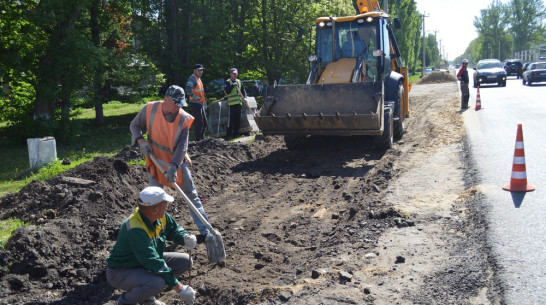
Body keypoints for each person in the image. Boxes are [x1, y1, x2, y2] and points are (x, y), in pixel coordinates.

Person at [130, 85, 211, 241]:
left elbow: (182, 146)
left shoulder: (183, 118)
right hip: (155, 161)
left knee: (191, 195)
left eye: (181, 104)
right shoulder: (150, 109)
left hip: (176, 162)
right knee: (155, 198)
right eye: (176, 103)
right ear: (166, 99)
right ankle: (153, 233)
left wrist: (174, 166)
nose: (179, 107)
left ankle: (206, 231)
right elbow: (134, 125)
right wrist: (141, 142)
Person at [106, 186, 197, 305]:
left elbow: (174, 230)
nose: (168, 206)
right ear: (155, 209)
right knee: (156, 283)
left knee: (185, 261)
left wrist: (185, 237)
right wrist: (180, 289)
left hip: (142, 263)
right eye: (165, 203)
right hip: (121, 271)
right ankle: (124, 302)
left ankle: (146, 297)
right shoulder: (135, 228)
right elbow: (153, 262)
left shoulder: (161, 217)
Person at [185, 64, 207, 141]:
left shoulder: (198, 79)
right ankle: (198, 140)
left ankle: (202, 139)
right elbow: (188, 89)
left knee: (204, 122)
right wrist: (195, 97)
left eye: (201, 70)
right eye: (199, 70)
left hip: (200, 103)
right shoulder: (192, 79)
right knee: (199, 123)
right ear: (195, 71)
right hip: (195, 103)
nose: (200, 71)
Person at [223, 68, 247, 140]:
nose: (235, 75)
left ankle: (236, 134)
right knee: (231, 120)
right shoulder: (228, 82)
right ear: (230, 74)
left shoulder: (239, 81)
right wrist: (233, 85)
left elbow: (243, 90)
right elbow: (227, 91)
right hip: (231, 104)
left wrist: (245, 97)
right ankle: (229, 135)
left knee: (237, 120)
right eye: (233, 73)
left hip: (238, 103)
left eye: (236, 73)